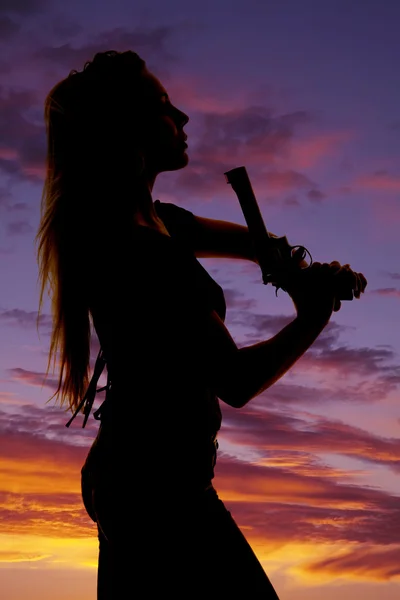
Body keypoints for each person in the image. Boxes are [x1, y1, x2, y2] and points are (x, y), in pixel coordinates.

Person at [35, 50, 367, 599]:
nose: (184, 119)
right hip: (160, 494)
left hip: (141, 481)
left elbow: (262, 246)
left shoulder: (156, 223)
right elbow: (235, 380)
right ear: (127, 127)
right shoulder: (140, 250)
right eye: (165, 107)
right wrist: (313, 315)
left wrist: (303, 268)